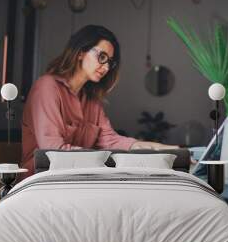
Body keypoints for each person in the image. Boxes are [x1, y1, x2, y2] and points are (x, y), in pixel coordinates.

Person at [21, 25, 178, 179]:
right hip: (40, 180)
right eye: (102, 57)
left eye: (110, 62)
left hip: (76, 180)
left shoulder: (92, 100)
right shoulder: (47, 87)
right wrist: (105, 160)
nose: (106, 68)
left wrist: (167, 150)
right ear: (80, 53)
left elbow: (112, 140)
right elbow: (53, 150)